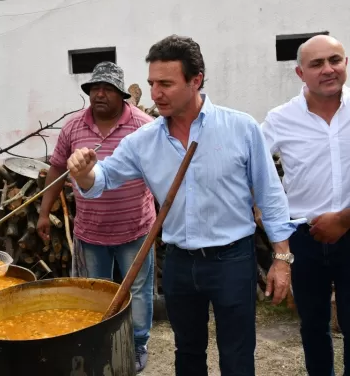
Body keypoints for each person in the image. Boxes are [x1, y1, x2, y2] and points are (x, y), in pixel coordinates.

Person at [66, 35, 298, 376]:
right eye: (151, 84)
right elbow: (101, 180)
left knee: (237, 352)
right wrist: (84, 174)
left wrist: (281, 259)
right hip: (179, 263)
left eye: (166, 84)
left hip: (232, 259)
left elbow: (270, 195)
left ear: (196, 80)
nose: (155, 93)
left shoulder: (241, 128)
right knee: (187, 352)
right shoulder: (143, 141)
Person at [37, 61, 157, 373]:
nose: (99, 94)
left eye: (107, 89)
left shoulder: (143, 126)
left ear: (121, 94)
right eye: (94, 88)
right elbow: (57, 169)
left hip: (137, 228)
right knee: (94, 292)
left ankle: (137, 344)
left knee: (139, 291)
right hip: (91, 231)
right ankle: (99, 344)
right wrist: (44, 212)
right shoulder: (73, 128)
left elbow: (159, 169)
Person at [261, 34, 350, 375]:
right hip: (303, 237)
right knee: (313, 327)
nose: (328, 69)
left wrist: (343, 218)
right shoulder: (281, 118)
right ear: (300, 73)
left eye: (335, 60)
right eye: (316, 64)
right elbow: (252, 164)